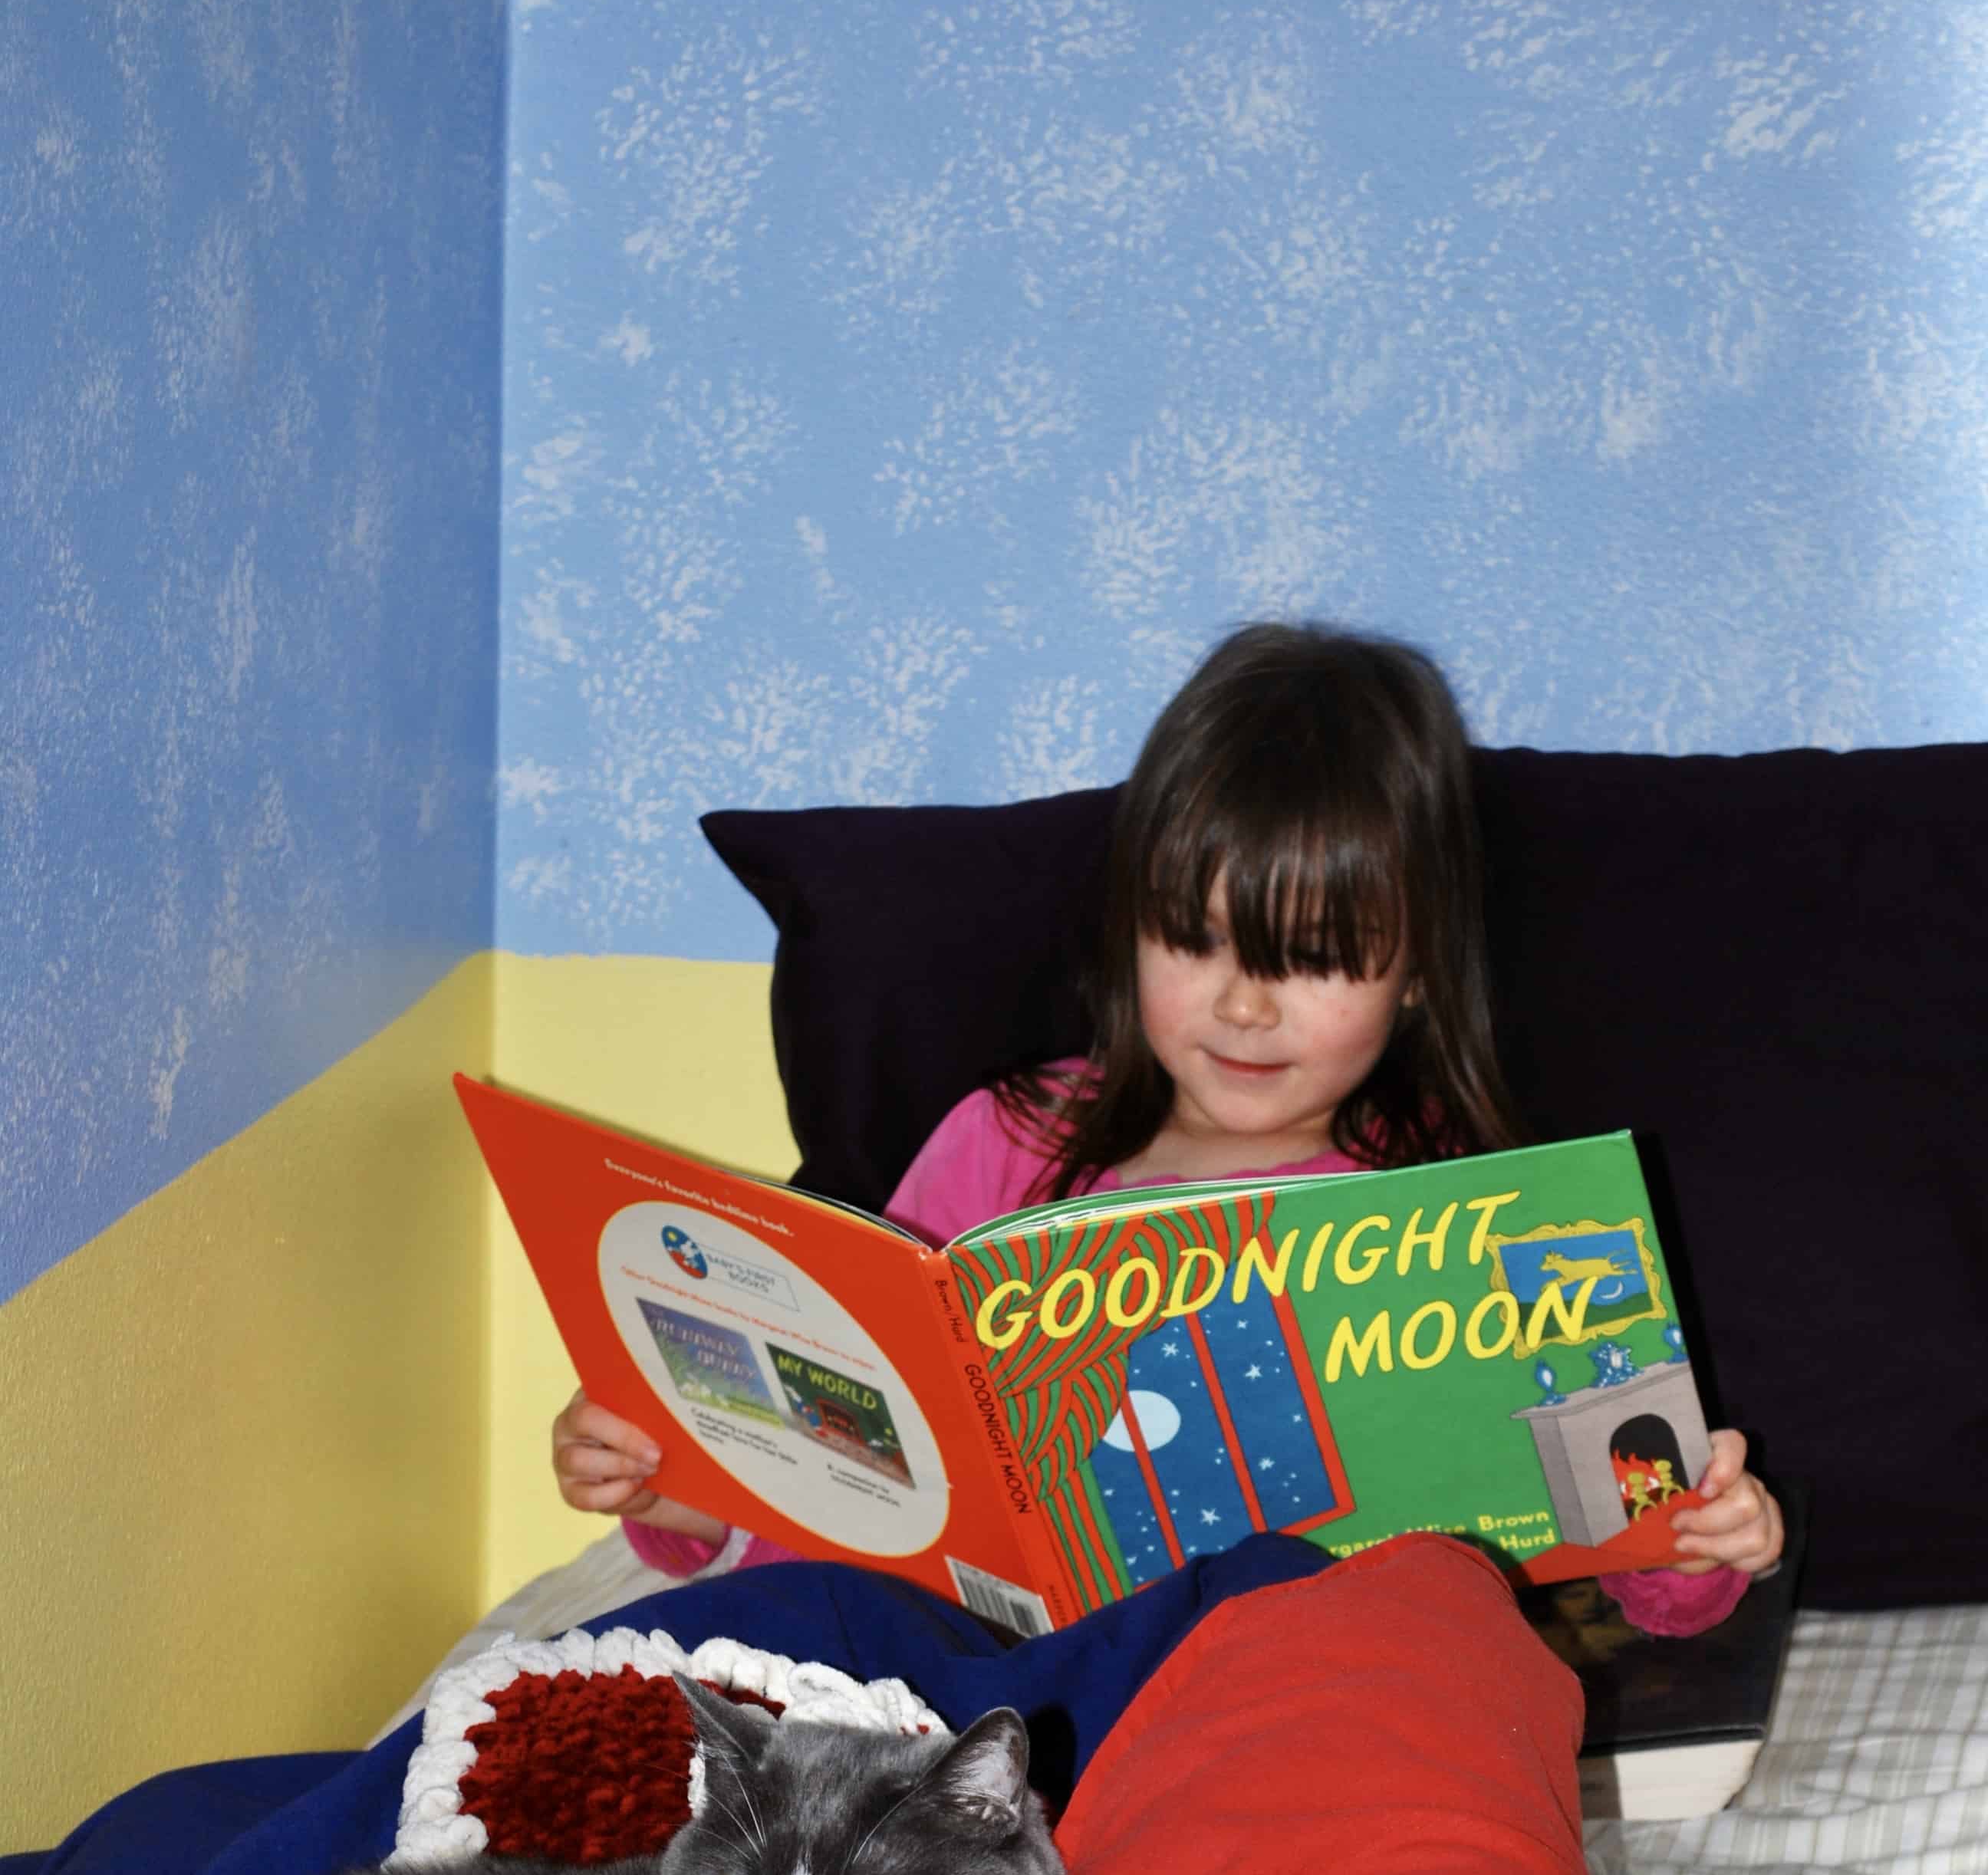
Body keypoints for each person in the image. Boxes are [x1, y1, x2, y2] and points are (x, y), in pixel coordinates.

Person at [552, 624, 1782, 1630]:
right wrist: (681, 1484)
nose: (1245, 1005)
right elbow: (849, 1446)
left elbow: (1641, 1568)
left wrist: (1701, 1536)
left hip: (1268, 1685)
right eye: (1194, 942)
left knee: (1449, 1685)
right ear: (1128, 928)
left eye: (1315, 959)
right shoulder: (1004, 1139)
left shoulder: (1473, 1213)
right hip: (954, 1663)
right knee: (689, 1677)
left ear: (1415, 975)